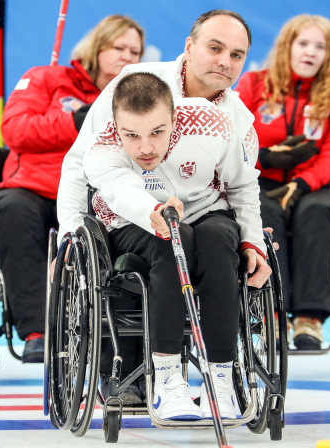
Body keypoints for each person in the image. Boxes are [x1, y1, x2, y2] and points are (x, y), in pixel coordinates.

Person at [56, 9, 266, 406]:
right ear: (190, 47)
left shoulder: (233, 119)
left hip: (203, 211)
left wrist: (252, 242)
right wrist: (69, 232)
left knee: (222, 238)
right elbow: (82, 163)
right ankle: (164, 379)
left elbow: (242, 186)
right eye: (215, 48)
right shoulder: (132, 88)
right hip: (135, 213)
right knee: (173, 238)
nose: (225, 61)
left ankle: (223, 376)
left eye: (237, 55)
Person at [0, 15, 144, 364]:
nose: (127, 56)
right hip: (34, 188)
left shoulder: (136, 94)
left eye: (135, 51)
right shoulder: (45, 78)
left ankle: (112, 341)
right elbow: (14, 130)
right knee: (11, 209)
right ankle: (36, 332)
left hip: (97, 194)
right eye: (118, 47)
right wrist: (75, 119)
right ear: (96, 47)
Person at [234, 14, 330, 350]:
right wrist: (267, 159)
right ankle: (271, 315)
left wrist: (302, 184)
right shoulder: (254, 84)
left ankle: (310, 319)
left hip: (312, 186)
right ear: (287, 46)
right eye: (303, 43)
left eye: (321, 46)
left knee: (317, 212)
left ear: (329, 55)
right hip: (259, 180)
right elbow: (232, 140)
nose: (311, 52)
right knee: (262, 214)